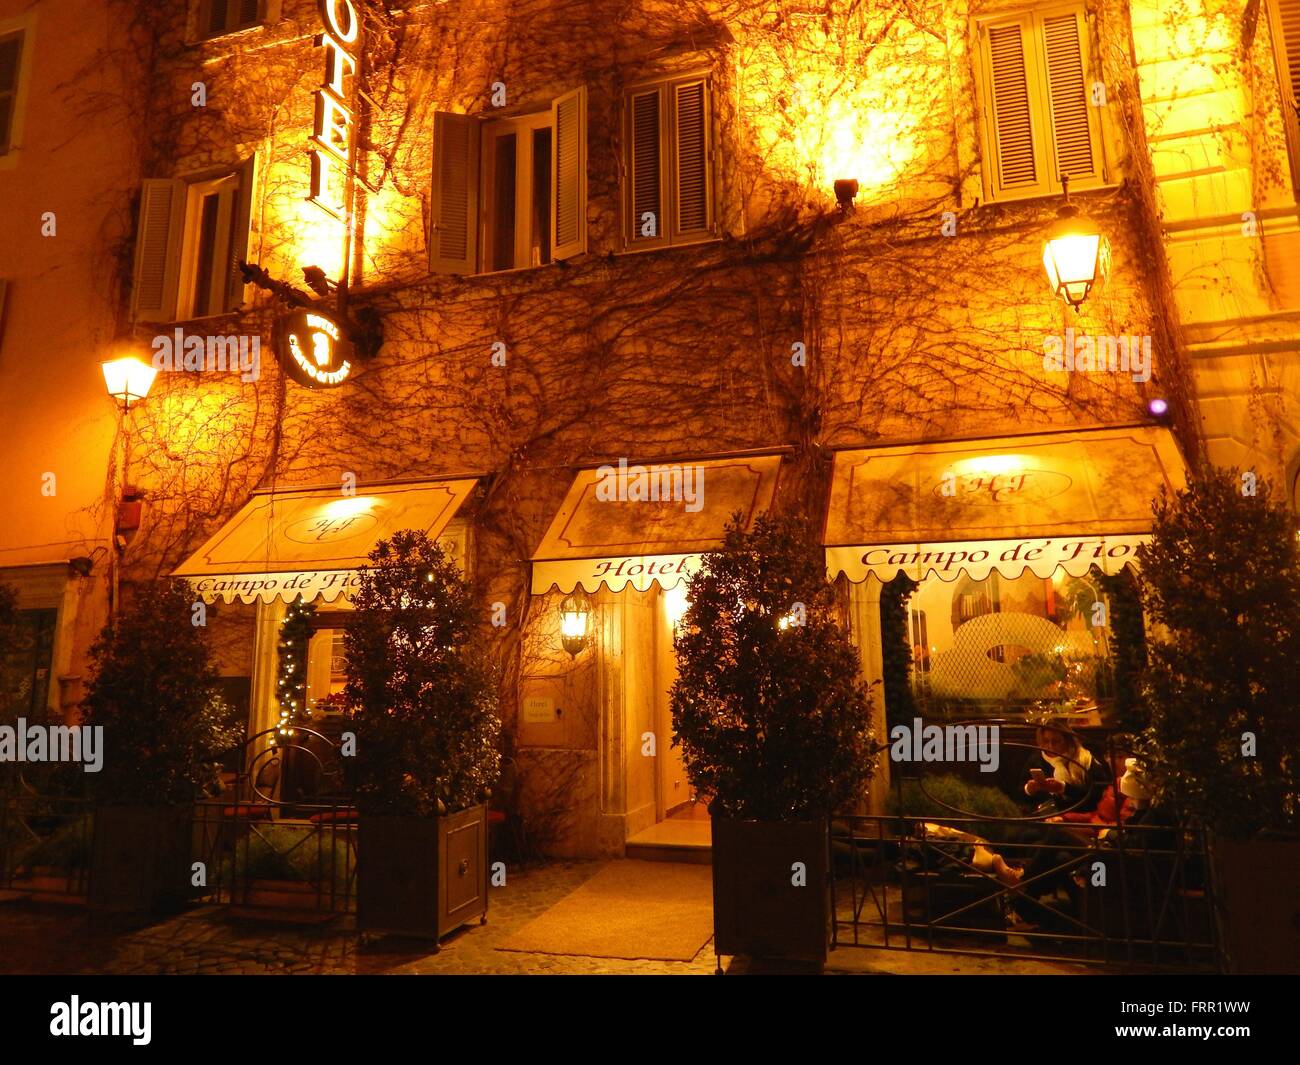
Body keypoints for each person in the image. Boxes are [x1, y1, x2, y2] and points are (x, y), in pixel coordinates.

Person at [1046, 733, 1136, 839]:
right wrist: (1064, 818)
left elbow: (1124, 824)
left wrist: (1102, 831)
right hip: (1096, 828)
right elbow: (1097, 815)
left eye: (1119, 756)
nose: (1112, 761)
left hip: (1103, 837)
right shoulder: (1116, 782)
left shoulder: (1134, 787)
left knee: (1055, 834)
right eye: (1109, 756)